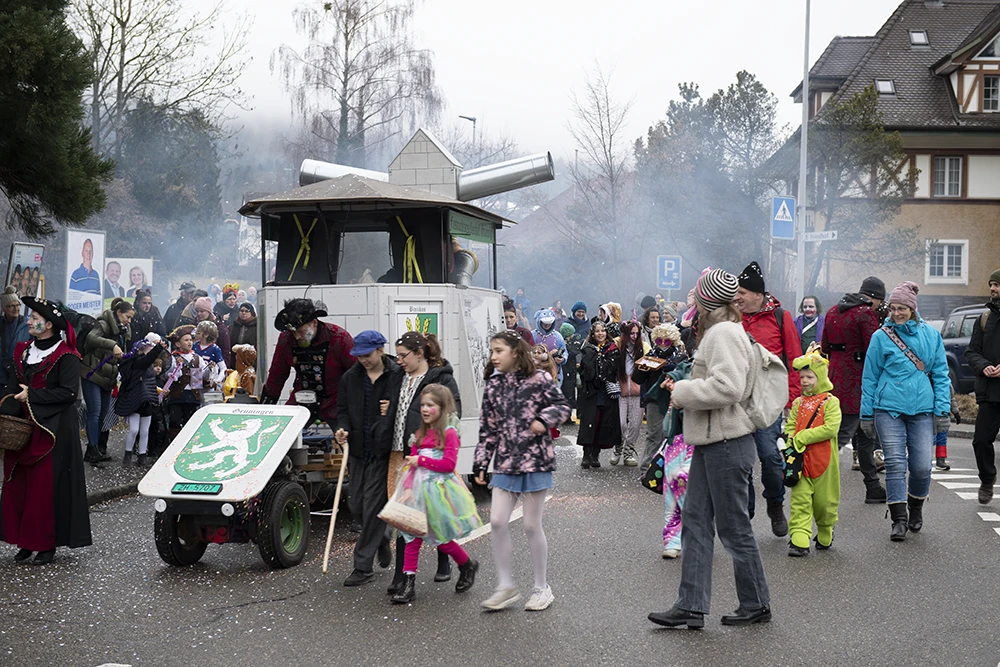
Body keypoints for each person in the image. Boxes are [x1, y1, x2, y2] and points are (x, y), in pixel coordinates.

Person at [647, 269, 771, 630]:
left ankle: (756, 603)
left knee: (733, 529)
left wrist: (684, 391)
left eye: (696, 295)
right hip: (713, 442)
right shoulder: (724, 330)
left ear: (706, 300)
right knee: (696, 522)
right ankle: (691, 605)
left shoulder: (723, 333)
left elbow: (729, 387)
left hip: (727, 444)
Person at [474, 330, 570, 612]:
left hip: (535, 461)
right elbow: (487, 428)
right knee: (497, 522)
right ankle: (505, 586)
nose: (493, 356)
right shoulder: (493, 385)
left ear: (515, 352)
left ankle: (542, 588)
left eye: (498, 350)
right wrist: (481, 462)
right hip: (505, 462)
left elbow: (562, 406)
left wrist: (543, 419)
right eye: (492, 351)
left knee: (530, 525)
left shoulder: (540, 379)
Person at [0, 297, 92, 564]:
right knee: (20, 483)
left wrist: (32, 395)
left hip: (54, 430)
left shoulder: (67, 356)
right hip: (24, 426)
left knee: (44, 488)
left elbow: (67, 393)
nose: (28, 321)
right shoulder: (23, 350)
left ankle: (46, 544)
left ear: (48, 324)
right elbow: (13, 383)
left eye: (33, 318)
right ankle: (25, 541)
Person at [861, 281, 950, 541]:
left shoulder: (931, 336)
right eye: (893, 308)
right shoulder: (880, 337)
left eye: (902, 308)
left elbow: (942, 375)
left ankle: (915, 506)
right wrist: (866, 414)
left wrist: (942, 410)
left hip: (922, 409)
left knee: (922, 467)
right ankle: (898, 519)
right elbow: (869, 378)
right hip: (887, 409)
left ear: (913, 309)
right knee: (895, 463)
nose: (897, 313)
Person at [384, 331, 460, 592]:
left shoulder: (441, 378)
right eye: (397, 356)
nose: (399, 360)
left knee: (432, 514)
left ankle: (446, 561)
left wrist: (434, 442)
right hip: (399, 453)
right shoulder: (397, 377)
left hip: (429, 455)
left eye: (403, 355)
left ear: (420, 353)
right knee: (404, 512)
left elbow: (452, 412)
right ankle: (402, 576)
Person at [391, 385, 481, 604]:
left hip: (438, 492)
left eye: (430, 405)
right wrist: (408, 489)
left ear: (442, 407)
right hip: (417, 493)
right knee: (411, 536)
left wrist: (421, 460)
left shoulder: (449, 433)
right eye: (423, 405)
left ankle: (466, 564)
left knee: (439, 538)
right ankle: (409, 584)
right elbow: (411, 467)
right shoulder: (419, 434)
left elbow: (448, 465)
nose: (425, 409)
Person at [735, 261, 801, 536]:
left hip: (769, 400)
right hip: (737, 400)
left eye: (742, 292)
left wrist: (792, 400)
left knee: (771, 457)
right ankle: (744, 514)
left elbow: (795, 357)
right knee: (742, 461)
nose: (737, 297)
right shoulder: (731, 317)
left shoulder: (779, 316)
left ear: (758, 294)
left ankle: (775, 504)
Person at [337, 331, 398, 587]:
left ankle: (362, 567)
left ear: (380, 350)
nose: (362, 359)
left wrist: (391, 409)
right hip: (358, 450)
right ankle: (382, 535)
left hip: (384, 451)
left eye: (367, 354)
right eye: (358, 355)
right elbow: (342, 410)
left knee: (372, 505)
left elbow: (406, 407)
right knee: (356, 504)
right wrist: (341, 428)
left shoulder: (396, 375)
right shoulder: (350, 378)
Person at [821, 276, 887, 503]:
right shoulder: (865, 313)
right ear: (876, 298)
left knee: (863, 435)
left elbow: (826, 346)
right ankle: (820, 483)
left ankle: (873, 488)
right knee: (843, 437)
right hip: (858, 381)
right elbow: (874, 348)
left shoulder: (832, 310)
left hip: (835, 378)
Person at [783, 348, 841, 557]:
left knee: (825, 502)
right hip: (800, 461)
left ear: (821, 377)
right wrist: (790, 440)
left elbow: (831, 428)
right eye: (802, 377)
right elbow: (791, 426)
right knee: (800, 500)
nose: (805, 381)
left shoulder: (831, 402)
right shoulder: (798, 403)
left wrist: (803, 437)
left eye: (809, 377)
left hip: (824, 461)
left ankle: (825, 528)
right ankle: (799, 536)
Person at [261, 299, 355, 427]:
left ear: (314, 323)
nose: (297, 337)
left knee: (349, 437)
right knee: (281, 429)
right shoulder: (286, 340)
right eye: (293, 333)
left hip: (335, 400)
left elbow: (356, 373)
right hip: (302, 397)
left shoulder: (339, 338)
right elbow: (277, 375)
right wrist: (264, 411)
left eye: (301, 332)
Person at [80, 297, 134, 463]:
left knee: (103, 414)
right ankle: (92, 449)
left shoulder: (123, 330)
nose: (129, 321)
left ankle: (95, 448)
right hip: (92, 373)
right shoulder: (102, 324)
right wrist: (112, 345)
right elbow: (91, 339)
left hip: (108, 376)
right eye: (127, 317)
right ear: (118, 313)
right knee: (94, 412)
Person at [632, 322, 685, 469]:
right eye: (658, 340)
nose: (662, 344)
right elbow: (637, 379)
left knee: (673, 434)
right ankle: (647, 467)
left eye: (666, 341)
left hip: (674, 399)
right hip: (654, 399)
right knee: (654, 434)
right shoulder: (650, 355)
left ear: (673, 341)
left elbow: (686, 375)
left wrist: (673, 368)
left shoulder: (680, 356)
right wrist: (643, 368)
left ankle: (670, 467)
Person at [967, 269, 1000, 503]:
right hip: (990, 392)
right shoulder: (984, 318)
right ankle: (987, 480)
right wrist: (983, 366)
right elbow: (972, 351)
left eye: (997, 285)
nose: (992, 289)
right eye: (991, 285)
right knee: (980, 440)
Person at [114, 334, 167, 467]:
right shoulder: (136, 363)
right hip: (135, 400)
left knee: (144, 431)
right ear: (140, 350)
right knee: (134, 430)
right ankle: (128, 454)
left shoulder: (146, 365)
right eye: (148, 349)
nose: (150, 352)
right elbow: (148, 359)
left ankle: (142, 456)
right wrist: (159, 347)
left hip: (146, 399)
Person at [577, 321, 621, 468]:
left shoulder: (613, 349)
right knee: (590, 422)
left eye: (603, 330)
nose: (600, 334)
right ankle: (586, 454)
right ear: (593, 333)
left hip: (606, 392)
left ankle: (595, 455)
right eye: (597, 331)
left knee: (603, 423)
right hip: (591, 391)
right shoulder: (587, 348)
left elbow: (611, 368)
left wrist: (600, 363)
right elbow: (586, 370)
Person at [613, 320, 648, 467]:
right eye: (631, 333)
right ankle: (618, 448)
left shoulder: (644, 348)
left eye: (636, 333)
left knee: (635, 424)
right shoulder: (617, 346)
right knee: (620, 423)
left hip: (637, 389)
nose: (634, 336)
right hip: (620, 388)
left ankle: (629, 451)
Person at [163, 325, 202, 439]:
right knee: (175, 421)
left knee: (190, 421)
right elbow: (168, 375)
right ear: (178, 344)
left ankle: (188, 441)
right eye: (186, 340)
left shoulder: (196, 357)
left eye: (190, 340)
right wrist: (177, 368)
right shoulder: (173, 358)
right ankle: (174, 441)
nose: (189, 342)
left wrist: (209, 370)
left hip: (192, 395)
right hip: (177, 395)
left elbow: (199, 379)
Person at [1, 287, 30, 388]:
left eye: (18, 305)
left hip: (19, 373)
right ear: (4, 308)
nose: (16, 308)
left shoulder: (27, 324)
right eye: (11, 306)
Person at [530, 308, 567, 381]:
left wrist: (562, 359)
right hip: (535, 373)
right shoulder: (532, 335)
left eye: (550, 322)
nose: (547, 325)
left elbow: (565, 351)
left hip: (555, 374)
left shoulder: (557, 336)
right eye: (545, 323)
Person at [193, 321, 227, 391]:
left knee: (209, 400)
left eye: (198, 332)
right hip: (196, 382)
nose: (195, 333)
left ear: (206, 335)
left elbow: (223, 368)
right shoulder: (194, 346)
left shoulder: (215, 349)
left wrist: (217, 381)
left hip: (210, 384)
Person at [559, 322, 581, 414]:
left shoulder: (568, 343)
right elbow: (573, 353)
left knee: (569, 393)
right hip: (567, 372)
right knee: (568, 394)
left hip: (570, 372)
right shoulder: (565, 345)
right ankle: (567, 415)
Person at [229, 302, 258, 367]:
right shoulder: (234, 325)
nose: (243, 313)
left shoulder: (256, 326)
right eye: (242, 311)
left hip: (251, 360)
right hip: (235, 360)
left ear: (252, 313)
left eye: (247, 311)